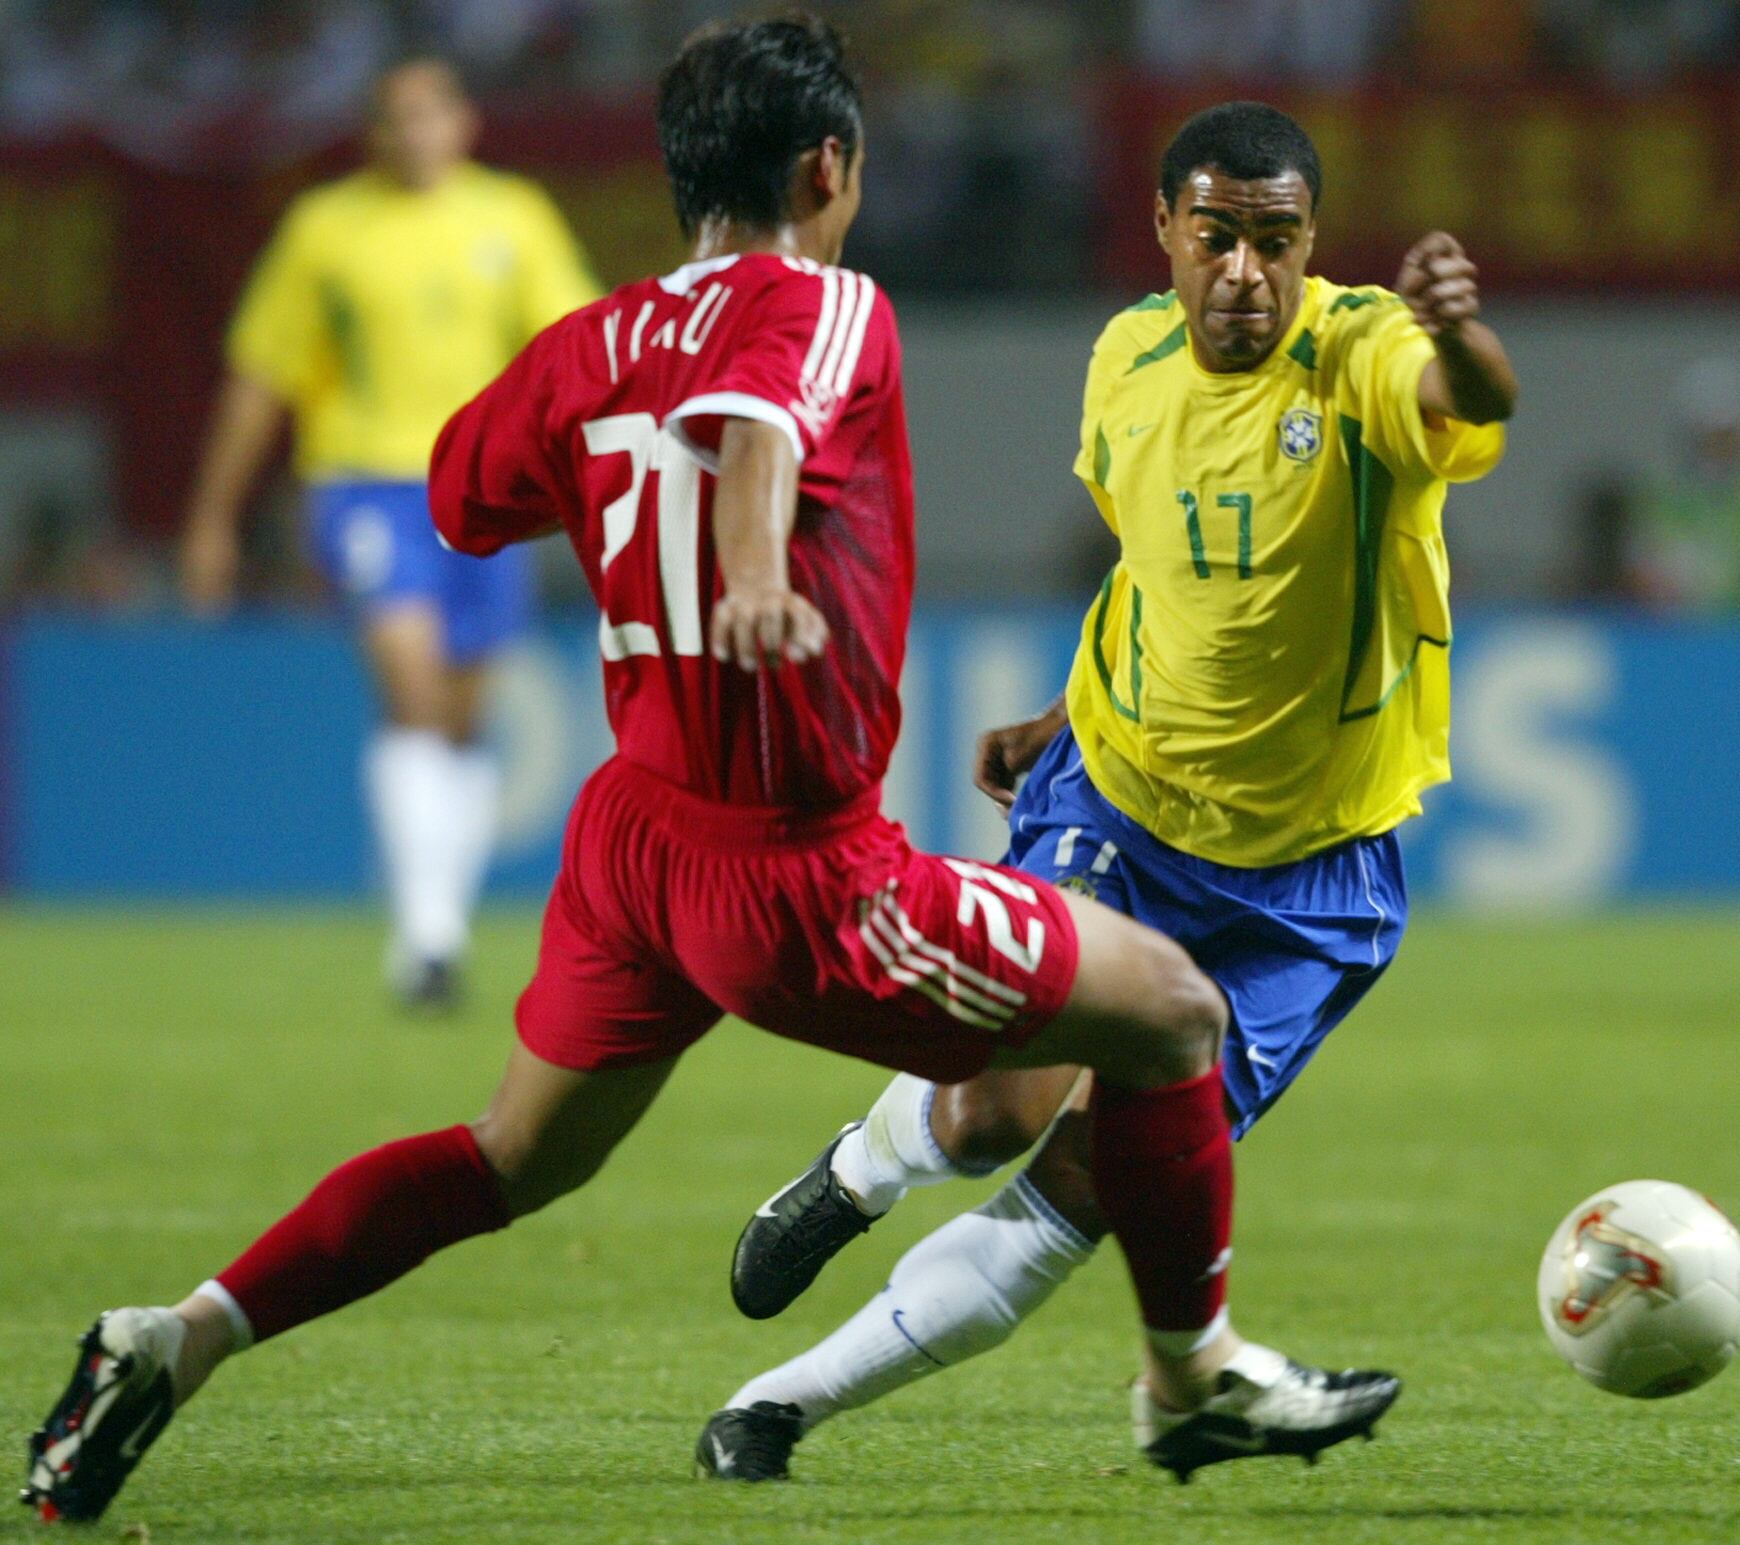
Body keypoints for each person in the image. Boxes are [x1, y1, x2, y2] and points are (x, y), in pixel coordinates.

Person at [22, 23, 1397, 1526]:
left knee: (507, 1157)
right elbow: (756, 419)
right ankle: (1191, 1378)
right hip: (805, 873)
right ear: (829, 166)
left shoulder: (589, 345)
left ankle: (179, 1335)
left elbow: (463, 496)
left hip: (633, 847)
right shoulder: (830, 303)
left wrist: (620, 467)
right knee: (1175, 1015)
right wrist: (746, 564)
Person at [701, 100, 1516, 1481]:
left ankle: (774, 1406)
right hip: (1120, 801)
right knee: (989, 1112)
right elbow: (1162, 568)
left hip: (1310, 881)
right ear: (1166, 232)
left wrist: (1459, 332)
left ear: (1312, 245)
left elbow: (1472, 399)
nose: (1247, 272)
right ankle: (859, 1168)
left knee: (1088, 1178)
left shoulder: (1368, 353)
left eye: (1277, 241)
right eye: (1218, 237)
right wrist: (1064, 711)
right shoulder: (1126, 358)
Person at [178, 58, 599, 1009]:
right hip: (363, 486)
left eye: (428, 115)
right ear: (371, 132)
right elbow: (261, 376)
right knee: (411, 691)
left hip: (488, 494)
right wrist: (212, 519)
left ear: (464, 122)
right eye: (393, 119)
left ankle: (437, 921)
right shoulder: (326, 228)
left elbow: (574, 355)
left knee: (460, 713)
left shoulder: (514, 217)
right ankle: (429, 938)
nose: (412, 134)